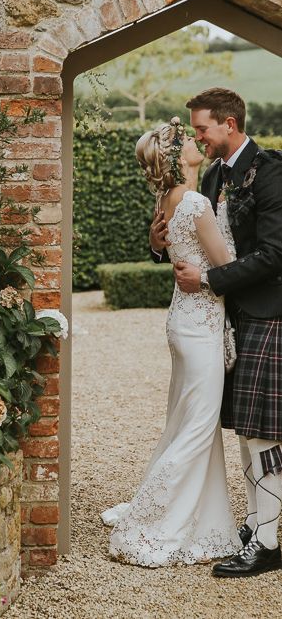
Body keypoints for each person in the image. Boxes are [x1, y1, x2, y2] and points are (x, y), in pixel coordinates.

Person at [152, 88, 282, 577]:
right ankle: (254, 524)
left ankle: (267, 542)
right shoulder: (212, 175)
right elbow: (201, 240)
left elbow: (275, 255)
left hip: (270, 312)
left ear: (229, 123)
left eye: (203, 128)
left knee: (261, 431)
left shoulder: (271, 172)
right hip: (228, 317)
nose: (198, 136)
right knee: (245, 428)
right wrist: (159, 246)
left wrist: (207, 281)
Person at [101, 117, 241, 567]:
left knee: (185, 421)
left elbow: (168, 248)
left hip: (184, 320)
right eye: (188, 140)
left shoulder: (167, 198)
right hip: (200, 324)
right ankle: (150, 521)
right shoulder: (196, 202)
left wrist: (161, 248)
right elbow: (225, 266)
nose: (197, 141)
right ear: (178, 155)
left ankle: (206, 518)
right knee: (198, 427)